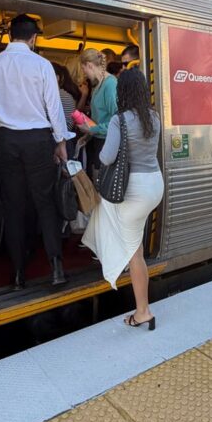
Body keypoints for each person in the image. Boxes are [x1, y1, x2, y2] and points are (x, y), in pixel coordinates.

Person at [0, 14, 70, 288]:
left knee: (13, 206)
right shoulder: (41, 64)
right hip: (38, 139)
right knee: (45, 202)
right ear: (33, 38)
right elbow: (54, 108)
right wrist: (61, 142)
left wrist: (3, 111)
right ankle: (56, 268)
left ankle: (17, 274)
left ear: (10, 35)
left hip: (7, 140)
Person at [82, 68, 163, 329]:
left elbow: (106, 157)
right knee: (131, 240)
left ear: (122, 92)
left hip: (134, 191)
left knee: (135, 254)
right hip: (154, 185)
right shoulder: (154, 117)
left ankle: (143, 312)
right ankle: (120, 260)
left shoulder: (120, 120)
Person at [77, 48, 118, 173]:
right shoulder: (99, 84)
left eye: (83, 69)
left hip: (107, 143)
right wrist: (88, 134)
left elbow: (117, 121)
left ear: (90, 65)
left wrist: (91, 129)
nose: (84, 74)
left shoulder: (110, 84)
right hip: (100, 141)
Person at [52, 62, 82, 134]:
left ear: (57, 78)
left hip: (59, 137)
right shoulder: (64, 95)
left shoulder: (57, 95)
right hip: (64, 135)